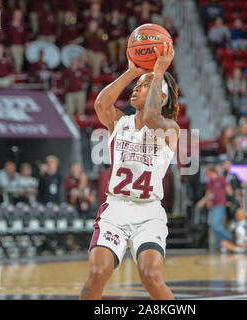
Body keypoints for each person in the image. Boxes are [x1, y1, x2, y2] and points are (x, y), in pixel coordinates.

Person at [81, 43, 178, 300]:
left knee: (151, 277)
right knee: (97, 275)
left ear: (161, 95)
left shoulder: (170, 128)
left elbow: (150, 119)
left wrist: (157, 73)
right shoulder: (119, 122)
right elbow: (101, 104)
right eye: (137, 85)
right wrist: (132, 73)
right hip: (115, 208)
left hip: (149, 212)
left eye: (143, 86)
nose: (136, 88)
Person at [197, 165, 233, 250]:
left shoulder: (221, 179)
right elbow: (208, 195)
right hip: (213, 206)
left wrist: (230, 200)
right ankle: (219, 244)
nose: (205, 174)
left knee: (215, 224)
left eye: (206, 172)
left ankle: (229, 238)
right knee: (212, 225)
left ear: (210, 171)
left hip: (220, 205)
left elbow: (229, 191)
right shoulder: (209, 182)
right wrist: (202, 202)